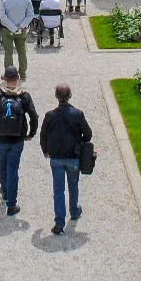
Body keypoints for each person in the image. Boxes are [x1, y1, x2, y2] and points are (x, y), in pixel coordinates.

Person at [0, 66, 38, 216]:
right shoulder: (24, 97)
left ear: (4, 78)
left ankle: (5, 191)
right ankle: (11, 204)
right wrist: (30, 134)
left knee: (2, 165)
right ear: (18, 78)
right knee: (13, 169)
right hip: (17, 139)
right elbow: (34, 117)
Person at [40, 84, 92, 234]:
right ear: (70, 96)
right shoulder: (78, 114)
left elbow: (43, 135)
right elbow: (88, 134)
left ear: (56, 96)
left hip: (56, 157)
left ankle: (59, 223)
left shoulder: (50, 115)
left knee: (58, 190)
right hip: (73, 157)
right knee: (73, 185)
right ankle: (74, 211)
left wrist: (45, 151)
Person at [0, 0, 34, 79]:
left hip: (8, 29)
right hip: (21, 29)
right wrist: (21, 25)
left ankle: (9, 75)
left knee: (8, 52)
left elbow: (2, 16)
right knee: (22, 51)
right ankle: (22, 73)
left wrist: (13, 28)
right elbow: (30, 14)